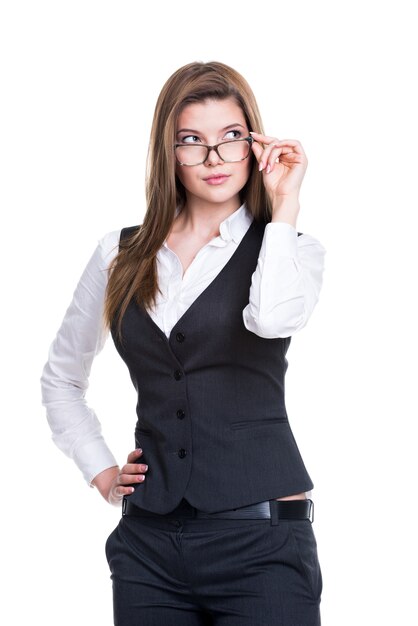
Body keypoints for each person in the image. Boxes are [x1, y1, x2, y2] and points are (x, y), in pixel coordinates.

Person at [41, 60, 326, 625]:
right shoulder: (119, 254)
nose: (214, 159)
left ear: (255, 144)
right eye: (192, 141)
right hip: (148, 549)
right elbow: (61, 379)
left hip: (262, 545)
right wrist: (100, 470)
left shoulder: (292, 248)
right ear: (167, 152)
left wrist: (284, 206)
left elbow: (271, 321)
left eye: (232, 139)